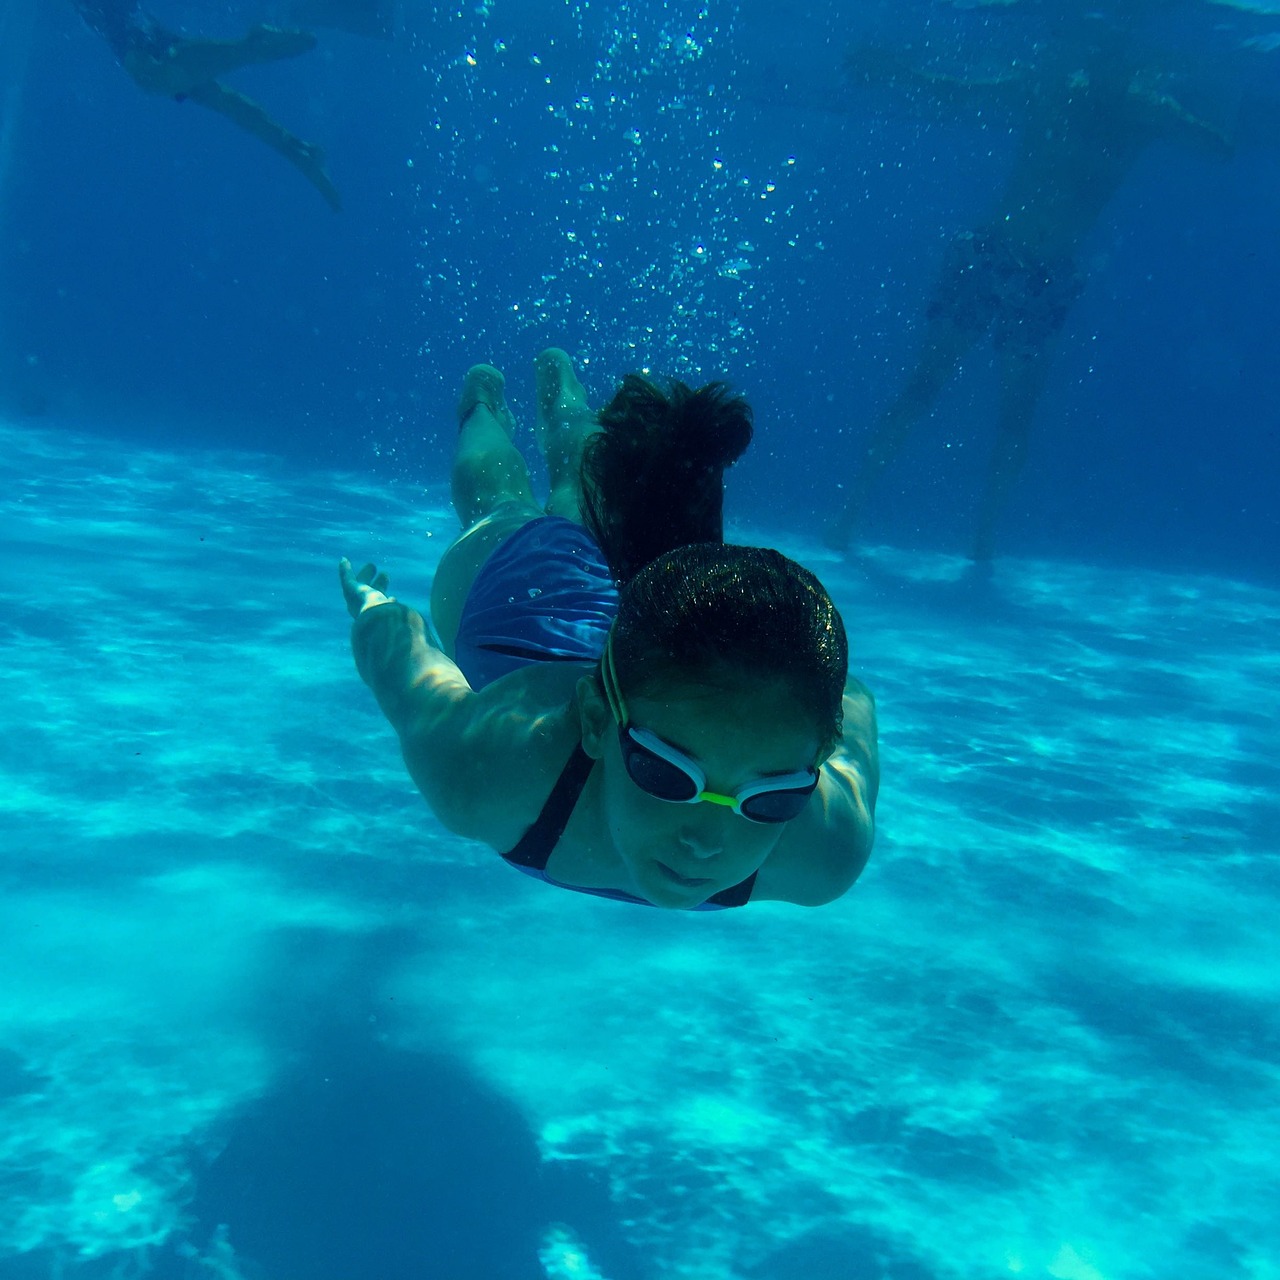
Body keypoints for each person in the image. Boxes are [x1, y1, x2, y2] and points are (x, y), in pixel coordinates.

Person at [339, 349, 879, 910]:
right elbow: (404, 675)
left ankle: (571, 416)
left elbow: (852, 705)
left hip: (647, 656)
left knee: (582, 499)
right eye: (667, 773)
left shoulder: (825, 850)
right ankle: (485, 407)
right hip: (522, 598)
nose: (705, 841)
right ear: (594, 720)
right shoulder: (489, 770)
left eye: (771, 799)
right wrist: (373, 609)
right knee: (498, 501)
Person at [824, 16, 1235, 562]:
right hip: (989, 253)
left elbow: (1220, 147)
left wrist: (1175, 102)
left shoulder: (1145, 115)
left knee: (1016, 411)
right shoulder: (1048, 86)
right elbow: (953, 90)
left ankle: (983, 544)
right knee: (923, 387)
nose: (1103, 65)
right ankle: (850, 515)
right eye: (1098, 53)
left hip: (1048, 277)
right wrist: (896, 69)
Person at [72, 0, 342, 210]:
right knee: (212, 95)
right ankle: (296, 148)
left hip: (122, 22)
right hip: (132, 22)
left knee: (156, 79)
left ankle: (250, 46)